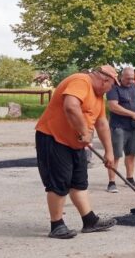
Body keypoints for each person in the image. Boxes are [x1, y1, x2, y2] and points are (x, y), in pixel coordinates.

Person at [34, 65, 120, 239]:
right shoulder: (81, 81)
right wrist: (84, 131)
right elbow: (71, 106)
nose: (111, 89)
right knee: (59, 183)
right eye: (111, 85)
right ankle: (57, 225)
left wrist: (109, 152)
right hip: (54, 137)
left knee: (79, 182)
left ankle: (90, 220)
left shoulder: (98, 96)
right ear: (104, 80)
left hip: (77, 143)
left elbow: (102, 124)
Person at [105, 67, 135, 192]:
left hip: (133, 126)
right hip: (118, 127)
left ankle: (129, 179)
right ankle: (111, 183)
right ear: (121, 76)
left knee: (131, 154)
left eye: (132, 78)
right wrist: (133, 114)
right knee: (115, 155)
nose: (130, 81)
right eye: (128, 78)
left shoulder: (134, 86)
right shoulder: (113, 87)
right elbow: (113, 107)